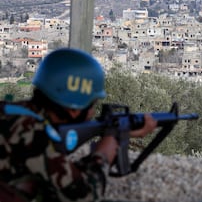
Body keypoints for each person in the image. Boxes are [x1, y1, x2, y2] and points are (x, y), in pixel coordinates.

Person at [0, 48, 157, 202]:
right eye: (91, 105)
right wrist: (105, 151)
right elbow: (84, 195)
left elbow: (56, 169)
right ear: (73, 110)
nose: (92, 113)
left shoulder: (13, 114)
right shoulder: (33, 135)